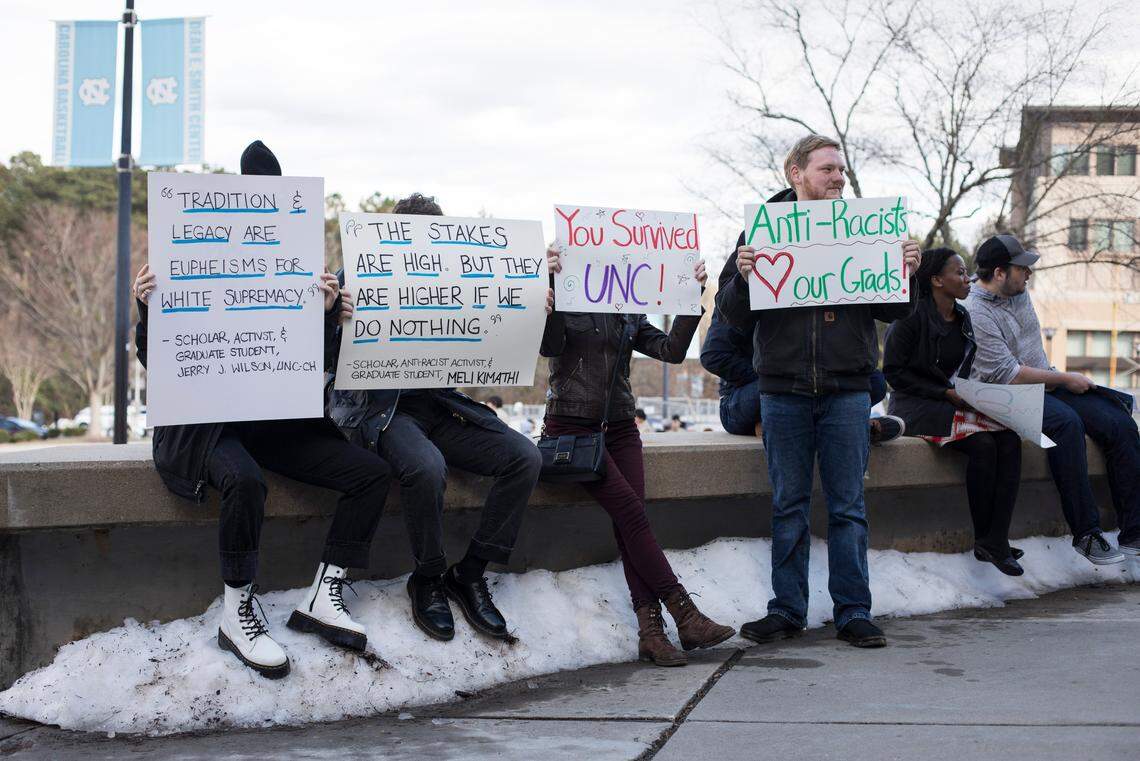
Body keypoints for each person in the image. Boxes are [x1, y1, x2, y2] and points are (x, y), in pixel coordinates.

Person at [132, 140, 392, 679]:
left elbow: (312, 367)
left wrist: (325, 317)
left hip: (275, 421)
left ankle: (326, 592)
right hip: (209, 428)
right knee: (244, 481)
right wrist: (145, 305)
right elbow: (156, 357)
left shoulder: (296, 265)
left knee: (370, 474)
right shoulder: (192, 253)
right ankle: (237, 610)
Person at [715, 134, 920, 649]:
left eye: (841, 171)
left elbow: (894, 312)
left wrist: (906, 273)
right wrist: (742, 278)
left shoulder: (865, 232)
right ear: (796, 172)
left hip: (847, 388)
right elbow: (731, 317)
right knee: (789, 504)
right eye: (828, 169)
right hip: (782, 391)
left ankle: (853, 611)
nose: (838, 178)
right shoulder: (760, 232)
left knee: (849, 505)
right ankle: (787, 610)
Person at [328, 193, 547, 643]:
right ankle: (427, 576)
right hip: (383, 408)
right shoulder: (358, 276)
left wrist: (529, 310)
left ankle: (469, 573)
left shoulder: (459, 276)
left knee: (524, 456)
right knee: (426, 467)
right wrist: (333, 317)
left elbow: (489, 330)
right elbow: (326, 359)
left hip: (441, 405)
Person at [542, 245, 735, 667]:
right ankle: (684, 613)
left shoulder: (626, 310)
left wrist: (690, 298)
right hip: (573, 427)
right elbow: (548, 345)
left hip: (621, 427)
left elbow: (670, 350)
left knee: (631, 522)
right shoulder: (564, 297)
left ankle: (652, 634)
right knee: (631, 515)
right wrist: (550, 284)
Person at [965, 234, 1139, 563]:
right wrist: (1065, 378)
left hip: (1045, 382)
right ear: (1000, 273)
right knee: (1066, 424)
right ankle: (1086, 534)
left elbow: (1031, 358)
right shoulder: (975, 311)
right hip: (1004, 395)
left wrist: (1060, 379)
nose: (1029, 274)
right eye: (1023, 269)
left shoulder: (1017, 291)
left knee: (1118, 422)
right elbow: (1010, 374)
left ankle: (1135, 532)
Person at [883, 248, 1024, 575]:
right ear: (935, 280)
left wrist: (973, 393)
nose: (968, 278)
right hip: (916, 406)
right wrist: (944, 392)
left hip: (950, 401)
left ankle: (995, 539)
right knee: (983, 445)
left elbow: (962, 370)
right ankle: (986, 540)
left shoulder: (963, 318)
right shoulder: (909, 316)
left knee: (1011, 440)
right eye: (959, 273)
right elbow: (893, 373)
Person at [701, 311, 904, 444]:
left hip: (808, 388)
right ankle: (849, 428)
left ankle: (827, 426)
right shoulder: (735, 293)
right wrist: (772, 372)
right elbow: (713, 356)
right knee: (785, 386)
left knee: (874, 381)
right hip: (744, 401)